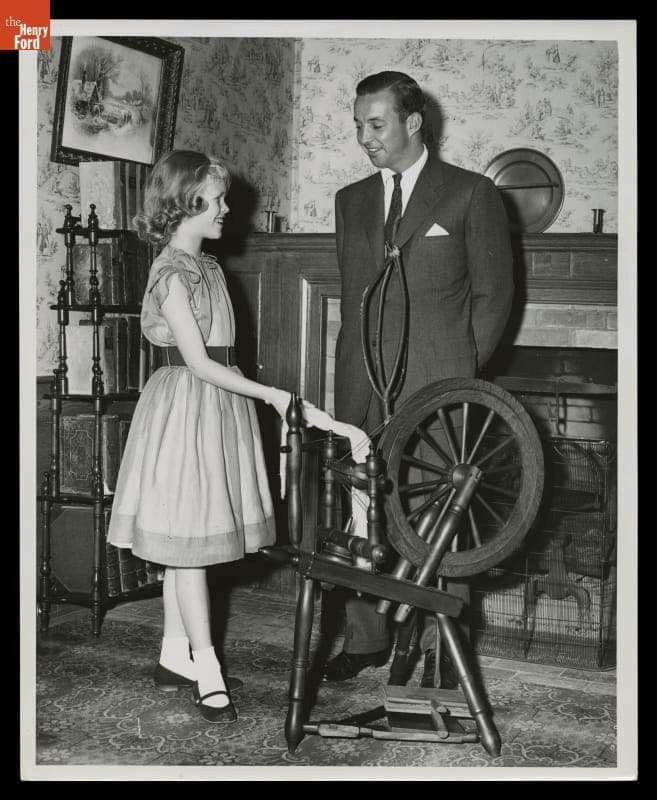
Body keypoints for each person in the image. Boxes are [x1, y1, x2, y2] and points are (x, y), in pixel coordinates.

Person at [107, 149, 318, 723]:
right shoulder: (171, 271)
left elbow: (222, 357)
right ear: (184, 203)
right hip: (187, 407)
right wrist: (274, 395)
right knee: (191, 549)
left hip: (218, 405)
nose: (227, 208)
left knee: (189, 548)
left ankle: (174, 654)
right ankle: (207, 667)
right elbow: (199, 362)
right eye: (217, 199)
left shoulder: (210, 267)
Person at [325, 71, 514, 688]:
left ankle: (442, 645)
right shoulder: (350, 201)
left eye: (375, 125)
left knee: (444, 518)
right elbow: (356, 293)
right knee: (362, 511)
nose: (364, 138)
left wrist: (457, 372)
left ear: (413, 123)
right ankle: (366, 639)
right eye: (358, 126)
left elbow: (492, 297)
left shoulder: (470, 194)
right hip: (361, 387)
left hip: (441, 388)